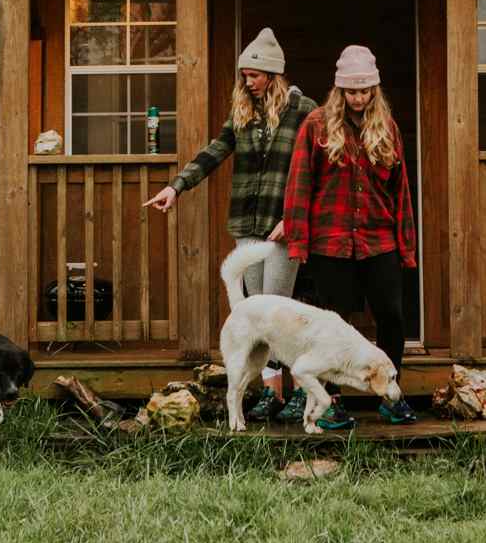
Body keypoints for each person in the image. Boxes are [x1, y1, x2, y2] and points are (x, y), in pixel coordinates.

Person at [145, 28, 315, 423]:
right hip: (246, 224)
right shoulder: (243, 114)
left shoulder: (303, 110)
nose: (246, 81)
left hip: (282, 227)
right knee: (257, 314)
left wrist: (294, 216)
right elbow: (214, 151)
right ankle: (271, 393)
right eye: (244, 75)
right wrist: (176, 186)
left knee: (278, 310)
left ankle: (298, 392)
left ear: (271, 74)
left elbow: (318, 169)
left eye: (253, 75)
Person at [283, 44, 419, 429]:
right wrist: (299, 240)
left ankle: (392, 397)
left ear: (374, 90)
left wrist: (406, 247)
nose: (358, 98)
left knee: (392, 316)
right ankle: (332, 403)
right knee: (334, 326)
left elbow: (401, 191)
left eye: (364, 91)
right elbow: (299, 185)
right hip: (332, 243)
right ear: (340, 91)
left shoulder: (387, 129)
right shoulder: (316, 125)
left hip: (380, 242)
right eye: (351, 91)